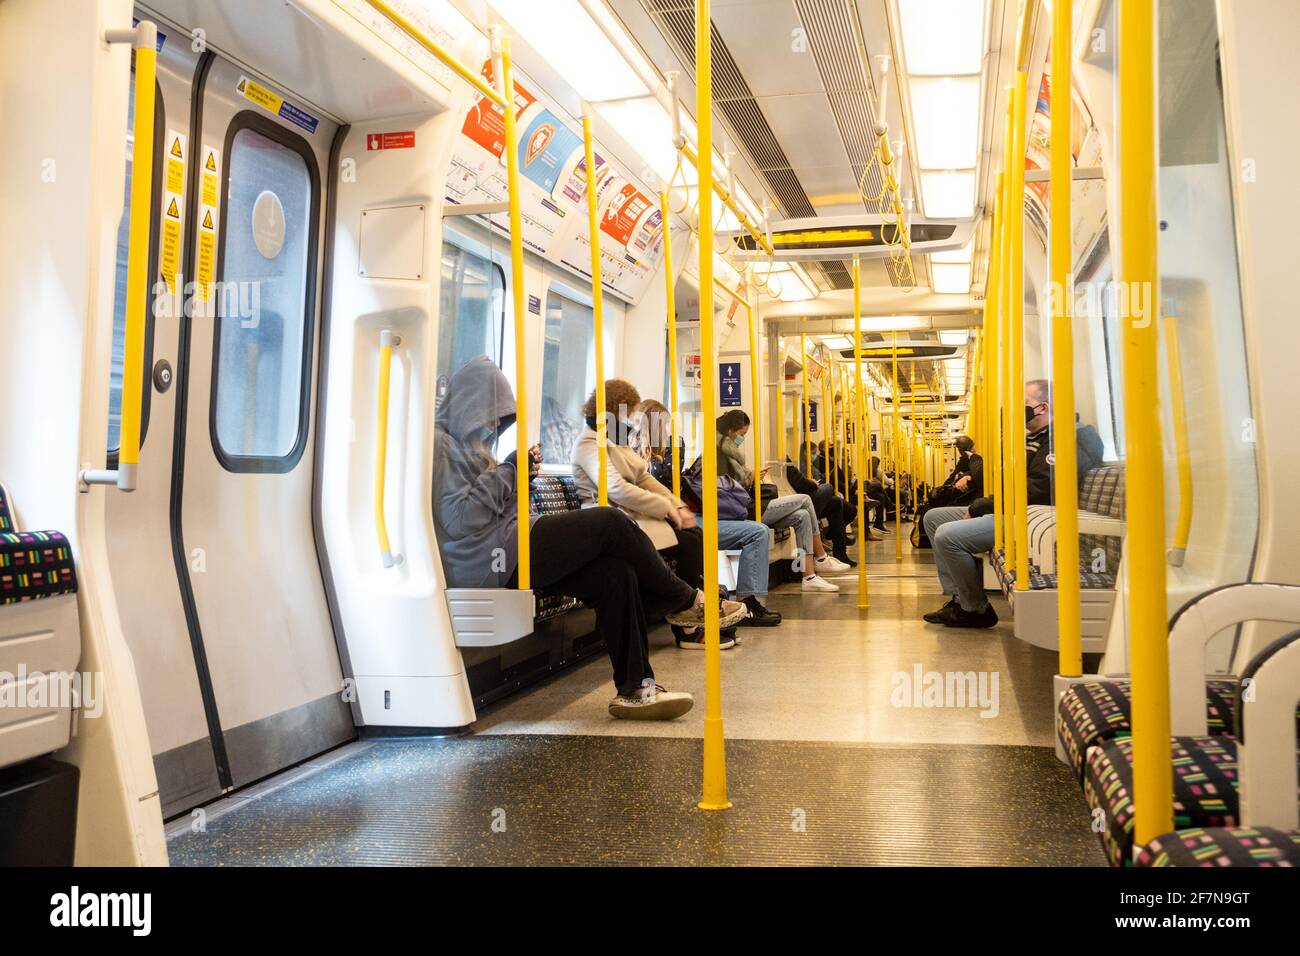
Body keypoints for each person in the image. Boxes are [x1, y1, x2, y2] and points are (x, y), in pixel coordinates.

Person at [432, 356, 745, 719]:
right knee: (611, 521)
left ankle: (635, 689)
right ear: (469, 407)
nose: (491, 424)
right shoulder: (443, 447)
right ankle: (684, 600)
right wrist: (509, 471)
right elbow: (459, 518)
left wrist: (518, 476)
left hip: (509, 543)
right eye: (489, 413)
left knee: (615, 573)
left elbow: (490, 504)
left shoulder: (478, 450)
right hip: (489, 557)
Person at [633, 399, 781, 628]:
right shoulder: (645, 458)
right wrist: (676, 442)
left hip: (679, 518)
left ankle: (728, 602)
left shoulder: (650, 454)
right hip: (665, 523)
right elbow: (666, 482)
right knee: (755, 533)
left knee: (766, 526)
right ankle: (727, 606)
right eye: (664, 425)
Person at [715, 409, 849, 591]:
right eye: (741, 434)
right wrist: (750, 477)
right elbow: (726, 486)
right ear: (731, 431)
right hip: (745, 509)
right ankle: (821, 557)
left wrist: (752, 476)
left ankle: (809, 577)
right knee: (804, 500)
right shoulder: (720, 453)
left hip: (749, 503)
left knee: (802, 516)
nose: (742, 438)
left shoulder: (731, 452)